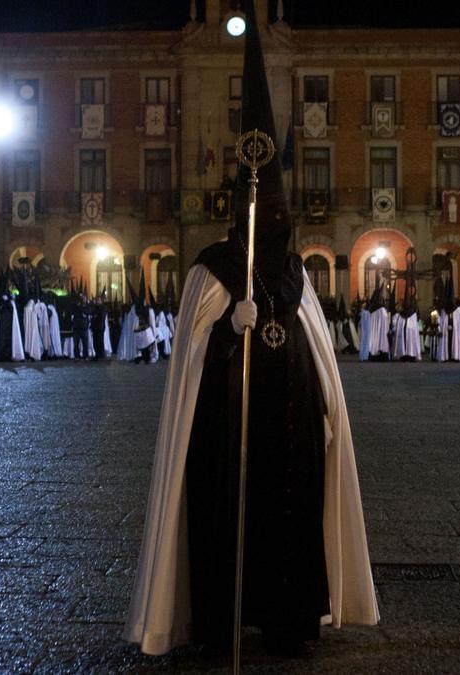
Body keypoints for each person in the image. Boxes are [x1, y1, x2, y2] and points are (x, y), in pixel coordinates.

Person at [125, 0, 378, 656]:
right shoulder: (211, 272)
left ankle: (291, 616)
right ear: (238, 213)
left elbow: (321, 362)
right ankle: (222, 618)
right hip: (224, 437)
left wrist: (324, 411)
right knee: (228, 523)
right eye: (257, 215)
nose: (268, 225)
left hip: (290, 441)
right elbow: (187, 372)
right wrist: (222, 334)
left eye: (276, 216)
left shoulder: (298, 277)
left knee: (287, 525)